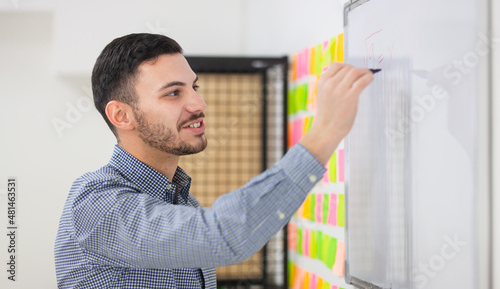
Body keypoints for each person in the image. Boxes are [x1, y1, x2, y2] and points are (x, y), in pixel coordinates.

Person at [54, 33, 373, 288]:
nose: (199, 103)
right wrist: (326, 132)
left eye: (194, 87)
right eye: (173, 93)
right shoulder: (96, 204)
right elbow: (225, 235)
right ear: (121, 115)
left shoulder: (181, 201)